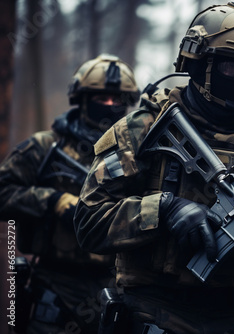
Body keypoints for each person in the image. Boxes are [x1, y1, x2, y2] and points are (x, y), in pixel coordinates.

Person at [73, 2, 234, 334]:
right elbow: (89, 222)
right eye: (233, 67)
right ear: (198, 65)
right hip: (157, 314)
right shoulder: (140, 131)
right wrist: (163, 210)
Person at [0, 54, 140, 334]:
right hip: (56, 283)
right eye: (102, 98)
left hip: (119, 287)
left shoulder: (139, 154)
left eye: (118, 99)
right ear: (82, 99)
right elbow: (4, 192)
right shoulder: (44, 148)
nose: (111, 106)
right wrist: (53, 201)